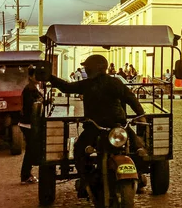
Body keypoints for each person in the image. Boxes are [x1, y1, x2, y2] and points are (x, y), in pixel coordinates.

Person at [47, 55, 146, 196]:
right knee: (81, 149)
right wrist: (140, 115)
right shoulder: (107, 83)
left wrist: (141, 116)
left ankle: (137, 177)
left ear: (97, 68)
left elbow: (130, 98)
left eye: (87, 66)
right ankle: (86, 181)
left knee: (138, 148)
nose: (85, 69)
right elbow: (131, 98)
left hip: (114, 128)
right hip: (103, 127)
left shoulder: (98, 83)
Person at [19, 65, 43, 184]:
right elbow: (31, 107)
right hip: (28, 123)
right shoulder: (29, 89)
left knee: (30, 149)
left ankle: (26, 174)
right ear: (30, 76)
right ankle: (25, 175)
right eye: (36, 75)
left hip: (29, 123)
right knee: (30, 150)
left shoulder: (35, 87)